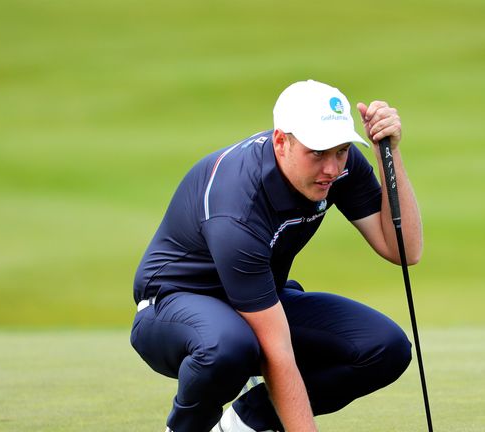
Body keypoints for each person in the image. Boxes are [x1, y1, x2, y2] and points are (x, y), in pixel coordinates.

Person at [130, 79, 423, 432]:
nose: (332, 168)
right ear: (281, 141)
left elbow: (404, 250)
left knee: (385, 347)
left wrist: (387, 156)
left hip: (261, 299)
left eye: (341, 150)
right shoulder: (237, 206)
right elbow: (277, 352)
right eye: (317, 153)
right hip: (173, 306)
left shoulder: (337, 165)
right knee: (229, 347)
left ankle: (243, 423)